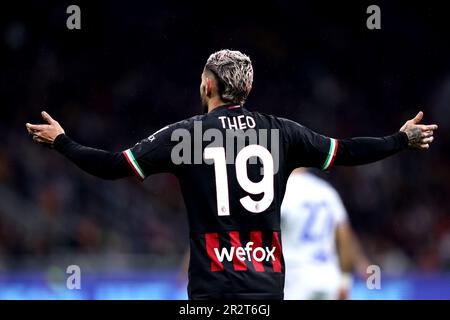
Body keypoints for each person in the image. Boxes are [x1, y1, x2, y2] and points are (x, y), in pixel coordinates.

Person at [25, 49, 437, 299]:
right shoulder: (283, 132)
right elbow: (347, 151)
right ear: (248, 89)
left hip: (212, 288)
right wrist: (399, 140)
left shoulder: (184, 135)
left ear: (207, 86)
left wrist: (63, 141)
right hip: (267, 288)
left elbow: (112, 166)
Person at [281, 168, 370, 300]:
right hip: (328, 276)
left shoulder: (281, 189)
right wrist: (345, 279)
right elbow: (344, 236)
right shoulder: (326, 191)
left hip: (295, 277)